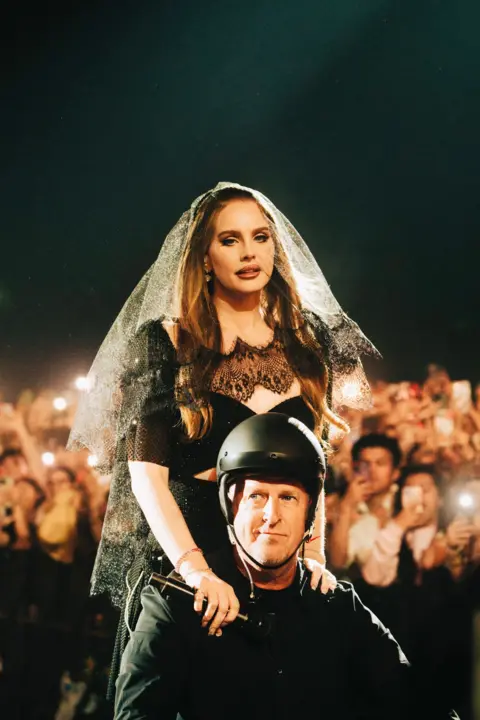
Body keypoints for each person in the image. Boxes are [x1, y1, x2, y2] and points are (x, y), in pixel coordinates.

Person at [68, 182, 377, 685]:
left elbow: (312, 470)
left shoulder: (308, 340)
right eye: (230, 240)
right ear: (205, 258)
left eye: (260, 237)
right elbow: (146, 477)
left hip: (278, 564)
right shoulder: (166, 343)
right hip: (194, 564)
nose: (249, 252)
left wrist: (314, 554)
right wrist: (195, 572)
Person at [114, 413, 442, 720]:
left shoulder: (335, 603)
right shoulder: (178, 605)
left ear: (309, 515)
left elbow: (415, 699)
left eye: (287, 498)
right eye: (256, 496)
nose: (271, 516)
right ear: (231, 508)